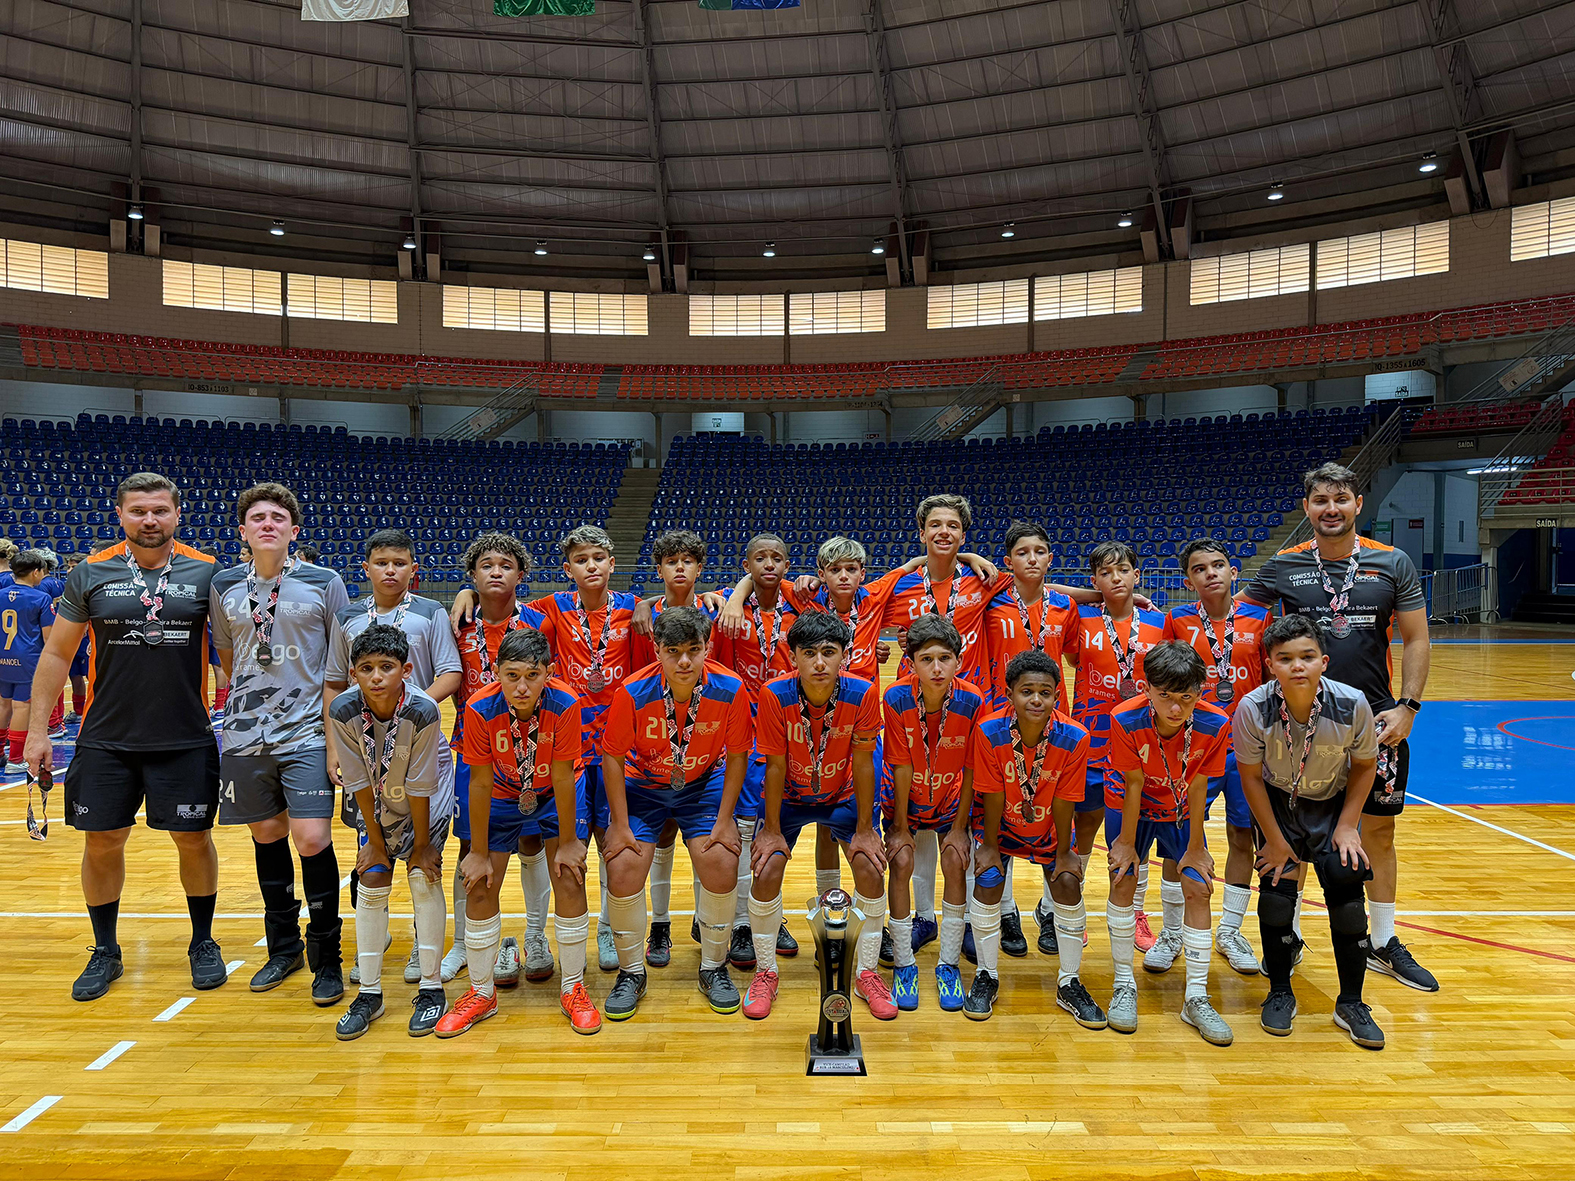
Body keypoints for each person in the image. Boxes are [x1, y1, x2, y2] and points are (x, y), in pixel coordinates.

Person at [24, 473, 225, 1001]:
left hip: (184, 735)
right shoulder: (91, 572)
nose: (149, 520)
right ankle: (105, 950)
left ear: (177, 513)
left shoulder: (207, 572)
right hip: (106, 737)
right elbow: (56, 654)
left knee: (193, 839)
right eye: (138, 511)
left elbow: (236, 648)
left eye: (160, 510)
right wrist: (37, 732)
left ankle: (203, 941)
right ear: (120, 515)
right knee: (102, 840)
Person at [1240, 462, 1435, 992]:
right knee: (1296, 831)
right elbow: (1231, 619)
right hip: (1297, 725)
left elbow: (1417, 638)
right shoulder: (1284, 565)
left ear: (1357, 504)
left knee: (1378, 832)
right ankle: (1289, 935)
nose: (1331, 509)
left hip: (1377, 721)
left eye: (1341, 499)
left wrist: (1408, 706)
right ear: (1307, 508)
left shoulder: (1391, 561)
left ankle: (1382, 941)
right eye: (1321, 500)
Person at [211, 482, 350, 1007]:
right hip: (245, 733)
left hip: (308, 730)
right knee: (267, 835)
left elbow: (339, 661)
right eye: (257, 518)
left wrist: (335, 739)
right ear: (243, 530)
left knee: (311, 838)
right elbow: (229, 656)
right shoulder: (224, 584)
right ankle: (283, 948)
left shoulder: (324, 581)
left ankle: (327, 958)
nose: (267, 524)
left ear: (294, 530)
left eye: (277, 518)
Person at [1234, 613, 1385, 1048]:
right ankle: (1280, 991)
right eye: (1285, 658)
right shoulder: (1252, 708)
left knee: (1346, 889)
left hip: (1331, 805)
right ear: (1270, 665)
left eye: (1307, 656)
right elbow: (1250, 778)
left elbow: (1365, 766)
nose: (1297, 666)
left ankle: (1351, 1002)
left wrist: (1348, 826)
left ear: (1324, 661)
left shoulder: (1353, 703)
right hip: (1278, 803)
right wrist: (1274, 839)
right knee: (1276, 896)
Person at [599, 606, 754, 1019]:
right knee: (623, 864)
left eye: (693, 650)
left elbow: (738, 755)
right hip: (644, 785)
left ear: (707, 648)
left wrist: (725, 820)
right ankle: (631, 973)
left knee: (721, 858)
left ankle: (714, 967)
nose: (684, 661)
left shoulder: (731, 688)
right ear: (657, 650)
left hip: (702, 784)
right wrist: (619, 824)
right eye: (673, 651)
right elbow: (612, 756)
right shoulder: (632, 691)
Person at [324, 528, 463, 987]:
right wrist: (334, 746)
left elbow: (451, 672)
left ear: (413, 569)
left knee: (424, 861)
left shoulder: (430, 612)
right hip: (364, 746)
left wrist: (407, 710)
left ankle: (424, 950)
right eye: (382, 562)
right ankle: (374, 941)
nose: (390, 570)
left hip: (417, 740)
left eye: (399, 563)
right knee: (371, 852)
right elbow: (334, 681)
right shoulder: (347, 616)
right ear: (366, 568)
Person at [445, 628, 596, 1037]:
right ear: (497, 673)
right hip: (499, 792)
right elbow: (478, 782)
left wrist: (569, 843)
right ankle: (481, 993)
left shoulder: (566, 703)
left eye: (532, 675)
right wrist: (477, 852)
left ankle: (573, 987)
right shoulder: (479, 707)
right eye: (512, 676)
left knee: (569, 876)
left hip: (553, 791)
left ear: (549, 672)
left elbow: (563, 776)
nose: (522, 687)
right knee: (479, 883)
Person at [744, 612, 886, 1021]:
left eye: (829, 652)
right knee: (766, 869)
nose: (819, 662)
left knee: (870, 869)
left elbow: (864, 762)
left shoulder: (863, 692)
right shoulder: (774, 694)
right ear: (793, 657)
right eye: (809, 653)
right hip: (789, 796)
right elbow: (774, 764)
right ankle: (766, 972)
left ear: (845, 655)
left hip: (842, 794)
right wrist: (772, 831)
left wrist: (865, 829)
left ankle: (867, 972)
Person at [1105, 641, 1234, 1044]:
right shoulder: (1124, 718)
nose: (1176, 709)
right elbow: (1133, 782)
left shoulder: (1216, 723)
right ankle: (1123, 984)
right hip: (1133, 804)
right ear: (1146, 688)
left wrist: (1196, 847)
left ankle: (1195, 997)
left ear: (1201, 691)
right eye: (1165, 697)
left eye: (1186, 698)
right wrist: (1127, 843)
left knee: (1198, 885)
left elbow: (1199, 783)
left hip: (1179, 804)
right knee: (1123, 877)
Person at [327, 624, 452, 1039]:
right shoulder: (342, 709)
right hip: (377, 793)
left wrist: (422, 846)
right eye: (366, 668)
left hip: (427, 795)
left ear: (406, 670)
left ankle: (431, 988)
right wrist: (376, 843)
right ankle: (369, 994)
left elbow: (420, 784)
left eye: (386, 667)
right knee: (372, 877)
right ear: (353, 674)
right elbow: (357, 779)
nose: (376, 676)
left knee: (422, 875)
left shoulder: (423, 710)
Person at [960, 650, 1090, 1021]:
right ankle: (986, 975)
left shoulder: (1075, 737)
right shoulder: (989, 731)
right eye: (1027, 691)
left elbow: (1065, 799)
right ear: (1009, 694)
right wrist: (989, 846)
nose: (1036, 700)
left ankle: (1069, 982)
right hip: (1000, 825)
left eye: (1045, 693)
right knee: (988, 879)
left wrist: (1063, 852)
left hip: (1048, 826)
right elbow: (991, 793)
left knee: (1068, 883)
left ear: (1057, 696)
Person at [444, 532, 548, 985]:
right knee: (472, 846)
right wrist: (463, 596)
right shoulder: (456, 621)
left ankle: (536, 936)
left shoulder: (540, 620)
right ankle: (463, 942)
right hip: (474, 749)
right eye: (486, 565)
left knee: (533, 841)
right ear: (472, 573)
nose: (496, 572)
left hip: (531, 745)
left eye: (506, 565)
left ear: (520, 575)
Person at [1162, 537, 1270, 976]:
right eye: (1200, 568)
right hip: (1193, 746)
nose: (1211, 573)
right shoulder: (1177, 620)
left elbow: (1270, 680)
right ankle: (1172, 932)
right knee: (1179, 836)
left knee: (1242, 835)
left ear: (1233, 571)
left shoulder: (1260, 618)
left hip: (1247, 748)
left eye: (1218, 565)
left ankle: (1230, 930)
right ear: (1189, 580)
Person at [1063, 541, 1167, 953]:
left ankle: (1136, 911)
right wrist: (1096, 595)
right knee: (1084, 826)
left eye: (1123, 570)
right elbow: (1045, 589)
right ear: (1094, 580)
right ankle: (1071, 905)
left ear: (1137, 575)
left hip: (1140, 743)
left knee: (1132, 832)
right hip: (1090, 741)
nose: (1116, 578)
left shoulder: (1160, 622)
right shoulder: (1082, 618)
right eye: (1105, 573)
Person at [880, 615, 987, 1012]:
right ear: (911, 663)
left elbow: (972, 767)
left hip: (950, 796)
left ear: (959, 660)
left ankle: (948, 964)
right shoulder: (895, 697)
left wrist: (959, 827)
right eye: (926, 660)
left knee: (956, 860)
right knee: (901, 860)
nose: (937, 668)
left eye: (945, 658)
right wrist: (900, 827)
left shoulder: (973, 700)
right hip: (905, 798)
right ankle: (903, 964)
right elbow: (901, 764)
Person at [626, 529, 722, 971]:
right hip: (653, 740)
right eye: (671, 561)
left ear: (700, 568)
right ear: (659, 568)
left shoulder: (718, 608)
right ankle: (660, 925)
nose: (680, 568)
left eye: (688, 561)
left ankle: (708, 920)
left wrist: (736, 592)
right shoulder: (641, 615)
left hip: (705, 736)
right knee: (662, 835)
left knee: (710, 844)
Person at [984, 519, 1077, 956]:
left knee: (1052, 813)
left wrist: (1105, 596)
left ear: (1050, 559)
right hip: (1001, 721)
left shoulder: (1065, 606)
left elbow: (1072, 655)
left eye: (1040, 551)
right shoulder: (991, 601)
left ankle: (1050, 911)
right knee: (1001, 812)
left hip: (1053, 723)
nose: (1032, 559)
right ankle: (1006, 911)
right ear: (1008, 561)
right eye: (1023, 553)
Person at [709, 532, 800, 972]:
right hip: (742, 727)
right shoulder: (728, 606)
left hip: (786, 725)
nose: (768, 564)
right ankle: (743, 923)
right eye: (759, 558)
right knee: (745, 827)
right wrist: (733, 596)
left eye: (776, 558)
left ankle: (769, 914)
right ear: (746, 564)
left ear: (787, 565)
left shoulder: (801, 602)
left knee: (774, 826)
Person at [2, 550, 56, 777]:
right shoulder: (40, 598)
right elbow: (48, 636)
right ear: (36, 572)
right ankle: (15, 759)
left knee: (3, 704)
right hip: (28, 659)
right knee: (22, 706)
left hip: (2, 655)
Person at [61, 553, 89, 724]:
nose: (69, 570)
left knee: (94, 676)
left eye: (74, 566)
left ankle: (97, 711)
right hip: (71, 637)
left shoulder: (93, 584)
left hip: (89, 638)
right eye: (69, 567)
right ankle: (79, 712)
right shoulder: (67, 586)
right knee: (75, 675)